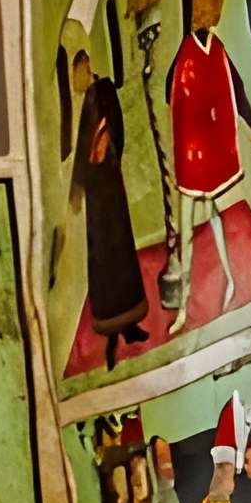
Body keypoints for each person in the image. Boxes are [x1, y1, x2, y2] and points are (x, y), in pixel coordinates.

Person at [166, 0, 251, 317]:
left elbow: (234, 86)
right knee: (188, 230)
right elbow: (170, 91)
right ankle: (185, 307)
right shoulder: (187, 52)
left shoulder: (215, 50)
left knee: (216, 218)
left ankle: (232, 280)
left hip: (210, 154)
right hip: (191, 158)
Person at [63, 32, 152, 365]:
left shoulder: (104, 92)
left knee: (122, 257)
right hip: (96, 201)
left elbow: (117, 128)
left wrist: (110, 153)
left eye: (77, 74)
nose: (75, 82)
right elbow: (78, 154)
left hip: (111, 190)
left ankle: (131, 327)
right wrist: (77, 189)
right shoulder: (81, 107)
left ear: (87, 69)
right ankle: (112, 337)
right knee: (102, 264)